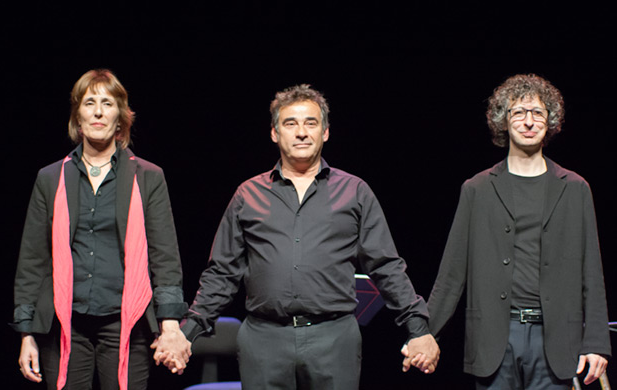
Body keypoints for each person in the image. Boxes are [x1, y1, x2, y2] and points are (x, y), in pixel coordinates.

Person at [178, 84, 440, 389]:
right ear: (275, 133)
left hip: (334, 339)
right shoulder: (247, 195)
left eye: (310, 123)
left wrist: (418, 328)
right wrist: (185, 332)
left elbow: (386, 266)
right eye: (290, 123)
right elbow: (222, 273)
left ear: (325, 132)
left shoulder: (354, 192)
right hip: (264, 340)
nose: (301, 132)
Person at [427, 74, 611, 389]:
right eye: (518, 113)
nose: (528, 121)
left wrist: (595, 341)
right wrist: (425, 332)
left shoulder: (576, 188)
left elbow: (591, 271)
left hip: (554, 339)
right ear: (504, 121)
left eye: (537, 113)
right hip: (495, 338)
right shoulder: (478, 188)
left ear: (550, 121)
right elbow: (452, 272)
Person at [12, 69, 191, 390]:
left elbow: (165, 256)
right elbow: (32, 260)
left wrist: (170, 325)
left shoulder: (148, 176)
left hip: (128, 322)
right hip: (66, 325)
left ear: (120, 118)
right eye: (89, 102)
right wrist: (28, 334)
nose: (97, 111)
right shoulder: (51, 178)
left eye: (107, 104)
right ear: (77, 116)